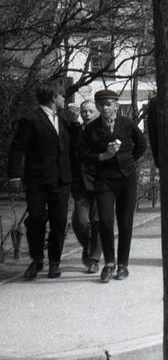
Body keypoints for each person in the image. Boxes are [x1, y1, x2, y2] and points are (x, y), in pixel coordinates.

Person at [7, 81, 73, 279]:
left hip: (61, 180)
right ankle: (37, 259)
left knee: (59, 222)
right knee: (36, 219)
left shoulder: (65, 120)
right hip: (38, 180)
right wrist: (14, 175)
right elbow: (17, 148)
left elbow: (73, 147)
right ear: (54, 97)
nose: (65, 99)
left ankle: (55, 262)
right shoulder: (31, 119)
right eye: (62, 95)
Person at [80, 89, 148, 282]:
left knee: (125, 221)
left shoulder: (127, 124)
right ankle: (109, 263)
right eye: (101, 105)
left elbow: (141, 145)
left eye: (108, 104)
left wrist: (128, 161)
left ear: (116, 105)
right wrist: (104, 156)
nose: (104, 108)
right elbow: (83, 155)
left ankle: (123, 265)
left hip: (126, 179)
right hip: (104, 179)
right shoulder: (91, 129)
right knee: (105, 221)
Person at [68, 99, 101, 272]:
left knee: (97, 220)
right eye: (83, 111)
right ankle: (88, 247)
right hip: (80, 182)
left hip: (100, 181)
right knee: (80, 221)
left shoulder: (102, 128)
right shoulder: (77, 129)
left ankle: (94, 259)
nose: (86, 114)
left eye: (90, 111)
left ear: (97, 112)